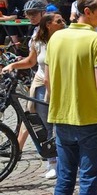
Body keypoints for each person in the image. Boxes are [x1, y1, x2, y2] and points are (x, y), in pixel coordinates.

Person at [44, 0, 97, 195]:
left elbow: (47, 79)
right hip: (91, 120)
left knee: (64, 180)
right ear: (87, 12)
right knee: (88, 181)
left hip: (62, 117)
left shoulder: (56, 37)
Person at [2, 12, 66, 178]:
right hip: (42, 84)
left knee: (57, 123)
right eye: (59, 21)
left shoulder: (66, 39)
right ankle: (52, 162)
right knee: (45, 123)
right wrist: (13, 65)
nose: (63, 22)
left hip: (62, 84)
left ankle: (63, 160)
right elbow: (31, 62)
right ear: (48, 25)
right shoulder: (38, 41)